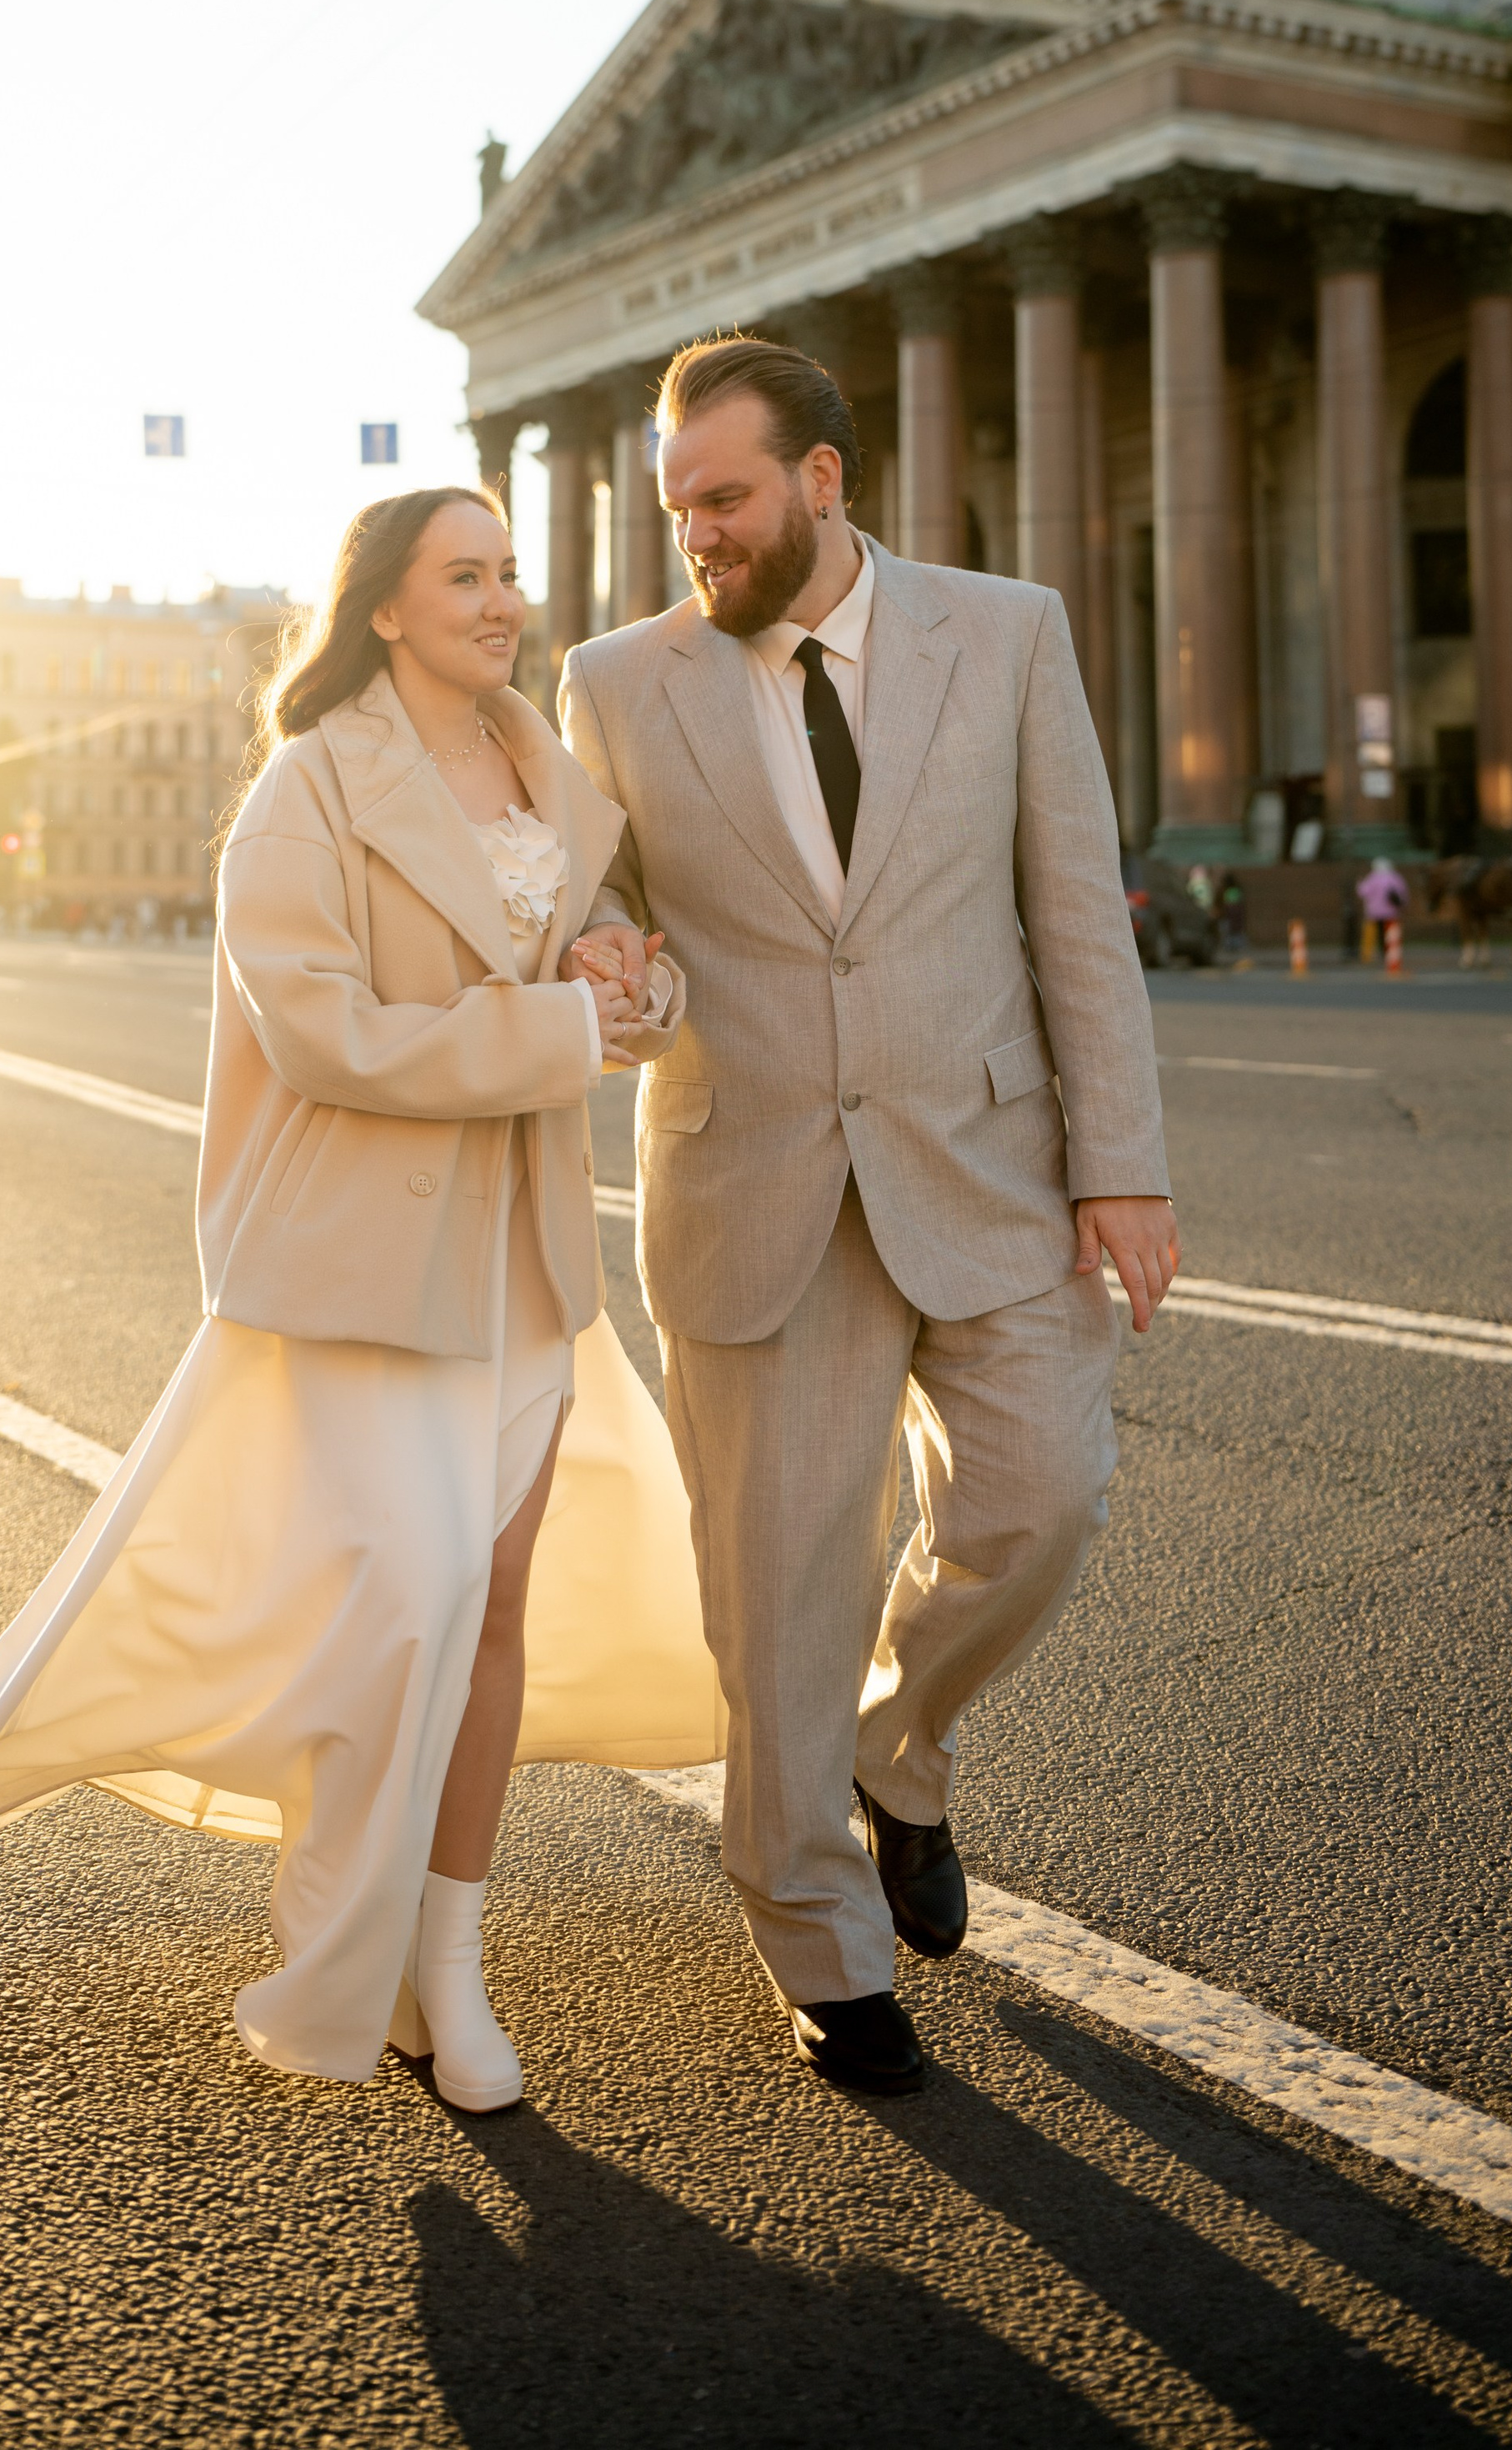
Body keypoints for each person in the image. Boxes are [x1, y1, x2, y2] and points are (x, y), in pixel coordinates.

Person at [0, 487, 721, 2112]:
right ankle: (340, 1953)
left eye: (508, 573)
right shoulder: (305, 790)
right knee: (415, 1602)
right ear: (381, 608)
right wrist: (564, 1033)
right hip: (364, 1264)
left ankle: (444, 1962)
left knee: (489, 1609)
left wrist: (627, 983)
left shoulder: (542, 769)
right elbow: (326, 1037)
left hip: (519, 1259)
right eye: (463, 577)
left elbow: (584, 952)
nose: (501, 601)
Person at [560, 335, 1175, 2097]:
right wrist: (596, 942)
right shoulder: (616, 680)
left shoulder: (1006, 631)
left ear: (823, 481)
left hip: (985, 1164)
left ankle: (900, 1756)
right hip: (753, 1182)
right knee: (775, 1598)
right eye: (679, 507)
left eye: (727, 499)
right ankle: (819, 1945)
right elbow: (582, 884)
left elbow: (1073, 913)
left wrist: (1118, 1162)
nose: (699, 536)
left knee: (1041, 1501)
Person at [1357, 854, 1408, 961]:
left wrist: (1359, 884)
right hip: (1392, 913)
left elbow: (1363, 892)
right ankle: (1392, 956)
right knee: (1391, 935)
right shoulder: (1396, 877)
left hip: (1374, 912)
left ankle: (1367, 956)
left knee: (1371, 935)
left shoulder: (1372, 877)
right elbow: (1403, 894)